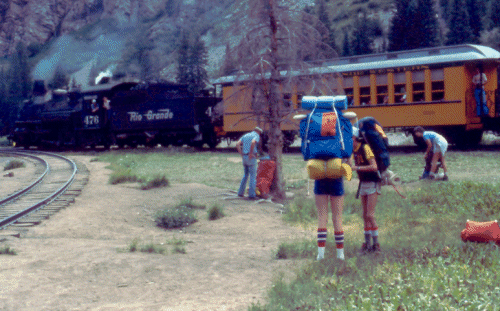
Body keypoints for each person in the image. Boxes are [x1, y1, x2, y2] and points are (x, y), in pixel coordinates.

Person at [349, 127, 381, 254]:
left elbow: (374, 166)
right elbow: (350, 164)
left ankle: (376, 244)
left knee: (370, 215)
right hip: (363, 184)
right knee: (364, 215)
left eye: (348, 138)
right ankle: (367, 244)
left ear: (354, 138)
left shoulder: (365, 148)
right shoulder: (353, 150)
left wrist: (357, 168)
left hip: (373, 183)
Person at [236, 127, 263, 200]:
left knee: (245, 175)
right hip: (251, 158)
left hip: (244, 157)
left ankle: (240, 192)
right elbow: (253, 142)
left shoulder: (246, 135)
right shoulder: (256, 135)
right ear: (259, 132)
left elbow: (237, 144)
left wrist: (241, 154)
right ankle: (251, 195)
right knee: (253, 176)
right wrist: (251, 153)